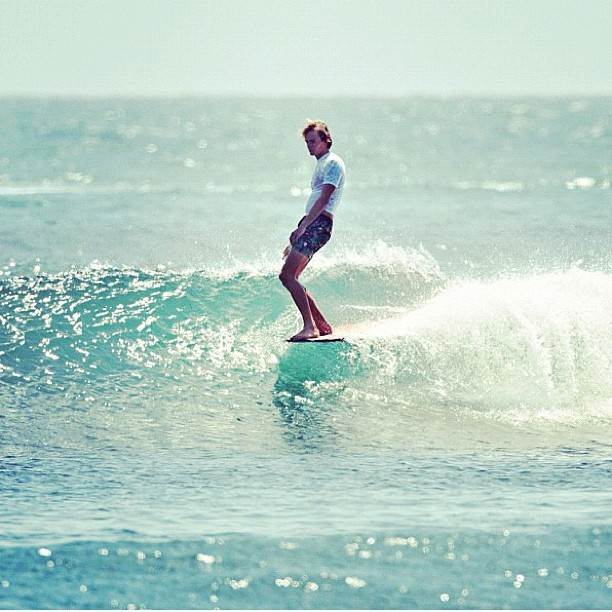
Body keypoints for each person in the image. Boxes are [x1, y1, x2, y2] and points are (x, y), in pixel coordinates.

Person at [279, 120, 346, 341]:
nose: (310, 145)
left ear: (327, 140)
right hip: (313, 223)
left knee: (287, 275)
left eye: (313, 141)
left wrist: (304, 227)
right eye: (307, 142)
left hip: (319, 224)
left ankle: (310, 327)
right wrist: (298, 232)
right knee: (292, 276)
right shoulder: (323, 163)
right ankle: (322, 326)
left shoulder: (332, 163)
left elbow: (325, 197)